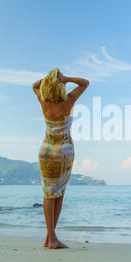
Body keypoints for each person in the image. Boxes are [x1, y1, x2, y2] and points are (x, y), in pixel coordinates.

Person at [32, 68, 89, 249]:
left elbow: (34, 85)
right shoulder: (69, 100)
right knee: (59, 194)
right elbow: (85, 83)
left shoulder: (43, 100)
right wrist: (65, 79)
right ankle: (52, 238)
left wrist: (49, 79)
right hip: (64, 151)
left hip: (47, 150)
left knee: (49, 193)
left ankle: (50, 238)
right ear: (60, 83)